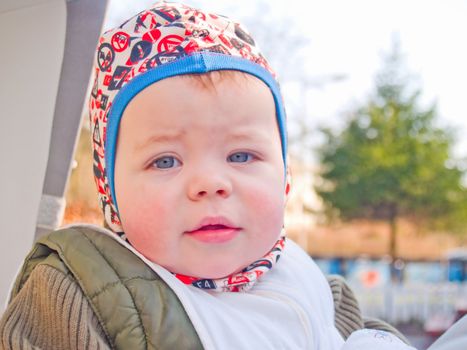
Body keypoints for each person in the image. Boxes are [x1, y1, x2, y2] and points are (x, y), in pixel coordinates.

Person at [0, 2, 416, 349]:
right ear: (110, 192)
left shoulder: (323, 292)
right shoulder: (77, 290)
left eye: (241, 155)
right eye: (165, 161)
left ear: (284, 179)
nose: (210, 183)